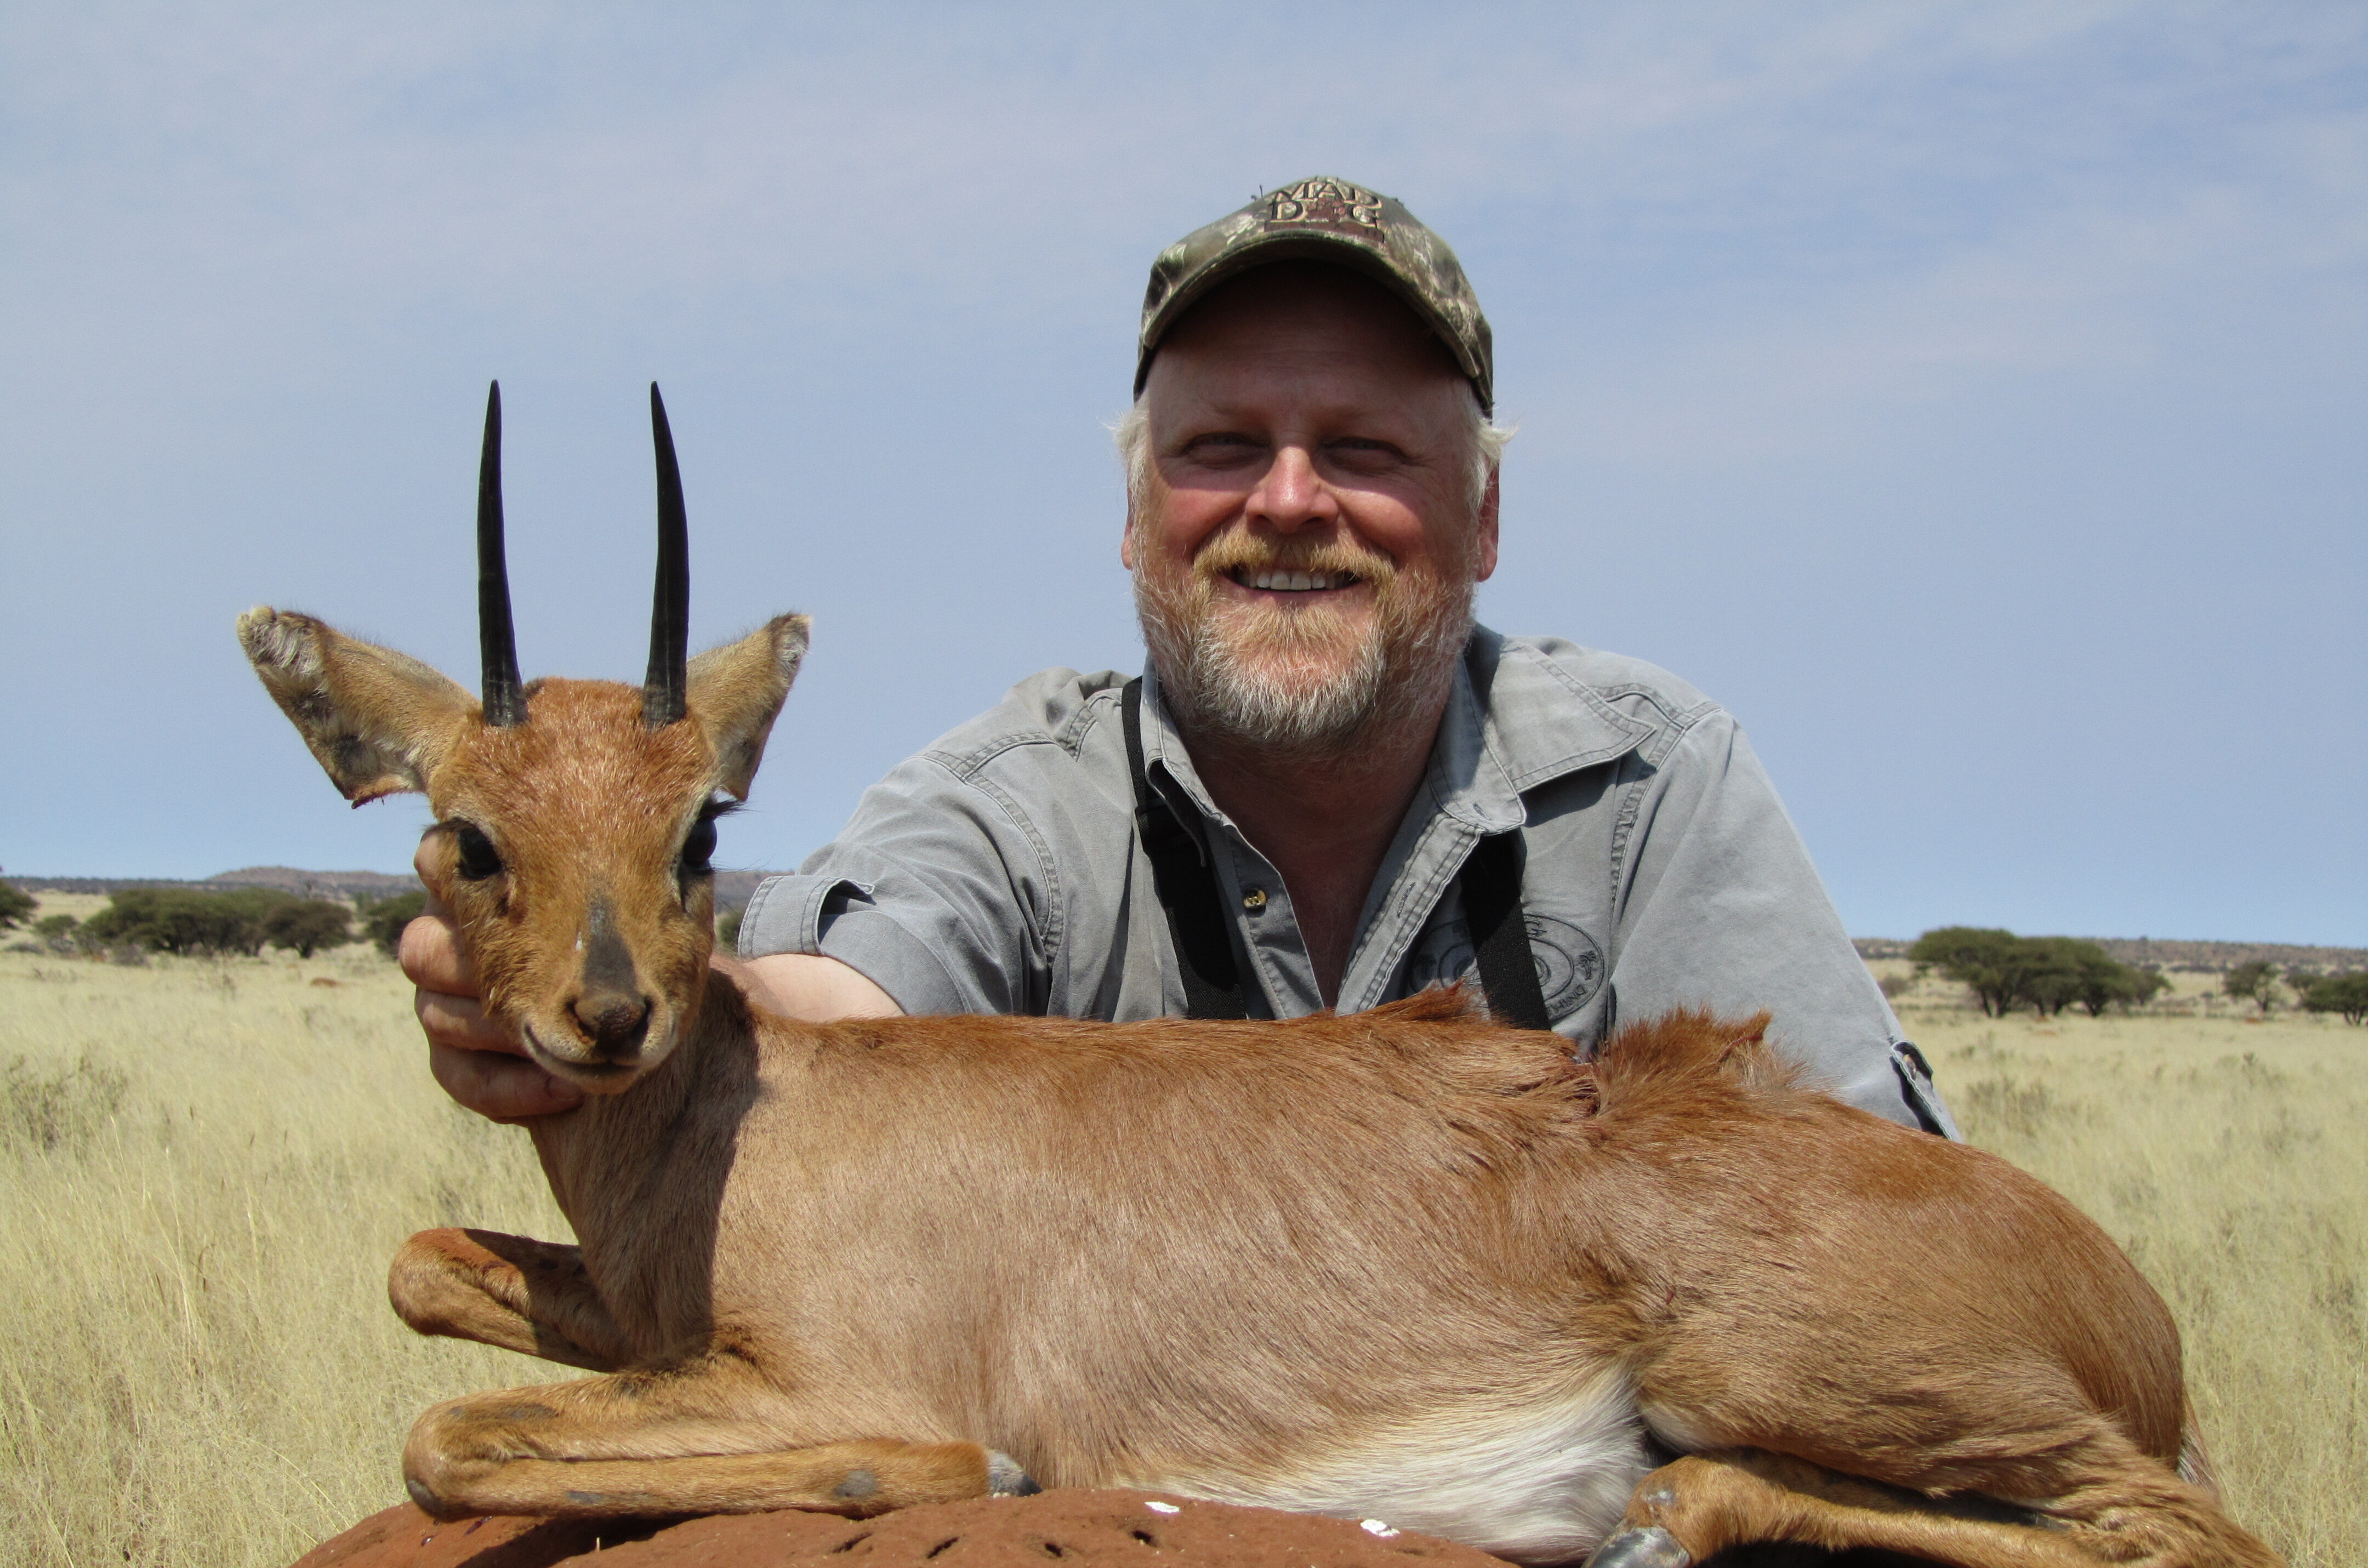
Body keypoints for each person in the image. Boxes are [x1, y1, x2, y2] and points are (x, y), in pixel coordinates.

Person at [406, 175, 1955, 1138]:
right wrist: (618, 993)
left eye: (1364, 449)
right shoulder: (1017, 810)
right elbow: (836, 1009)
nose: (1290, 502)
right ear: (1135, 520)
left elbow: (1866, 1202)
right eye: (1223, 449)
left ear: (1484, 519)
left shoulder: (1647, 780)